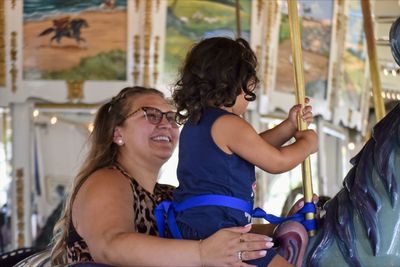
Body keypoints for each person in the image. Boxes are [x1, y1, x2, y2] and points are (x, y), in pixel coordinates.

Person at [50, 86, 272, 266]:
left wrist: (283, 228)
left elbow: (219, 233)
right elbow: (110, 246)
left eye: (170, 117)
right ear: (118, 133)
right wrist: (202, 253)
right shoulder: (107, 180)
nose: (166, 124)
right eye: (152, 115)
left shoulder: (167, 194)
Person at [171, 37, 318, 267]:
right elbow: (276, 162)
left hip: (196, 225)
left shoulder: (198, 123)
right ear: (235, 84)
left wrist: (289, 127)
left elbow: (255, 148)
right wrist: (307, 144)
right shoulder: (229, 124)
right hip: (218, 228)